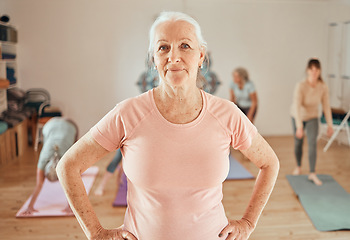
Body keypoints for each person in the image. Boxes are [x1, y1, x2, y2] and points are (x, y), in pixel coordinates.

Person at [57, 11, 279, 240]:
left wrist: (248, 222)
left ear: (201, 55)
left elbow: (270, 163)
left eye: (185, 46)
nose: (174, 57)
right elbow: (68, 166)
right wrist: (95, 233)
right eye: (163, 47)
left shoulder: (227, 114)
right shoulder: (127, 114)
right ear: (153, 58)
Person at [20, 117, 78, 216]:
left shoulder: (65, 161)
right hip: (53, 125)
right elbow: (69, 185)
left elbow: (39, 185)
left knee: (73, 148)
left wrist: (30, 207)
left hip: (66, 125)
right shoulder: (46, 159)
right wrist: (29, 206)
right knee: (63, 144)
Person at [290, 58, 334, 186]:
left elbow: (326, 106)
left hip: (312, 116)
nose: (314, 72)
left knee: (312, 143)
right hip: (297, 116)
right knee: (298, 142)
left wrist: (330, 125)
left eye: (317, 70)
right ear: (308, 70)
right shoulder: (301, 86)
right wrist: (299, 127)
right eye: (312, 69)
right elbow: (297, 106)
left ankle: (312, 173)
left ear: (319, 71)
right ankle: (298, 166)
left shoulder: (323, 87)